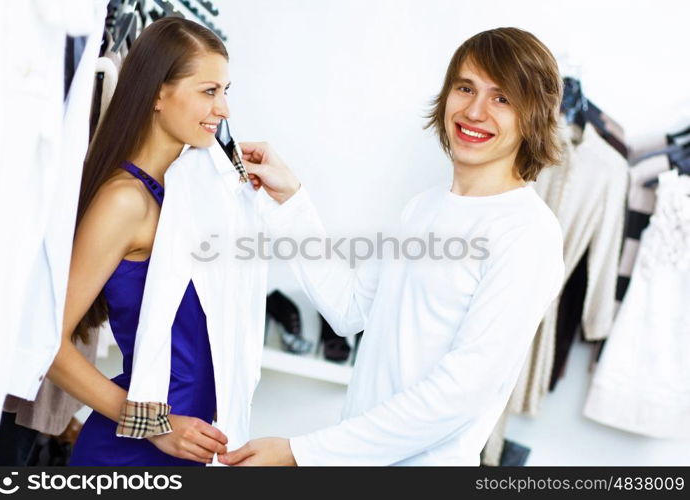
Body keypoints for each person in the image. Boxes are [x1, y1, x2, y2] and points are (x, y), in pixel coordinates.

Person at [218, 27, 566, 466]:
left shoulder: (528, 233)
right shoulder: (422, 209)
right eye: (465, 88)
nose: (475, 111)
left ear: (533, 115)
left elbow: (457, 397)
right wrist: (291, 202)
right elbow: (348, 310)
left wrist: (300, 453)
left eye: (502, 98)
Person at [46, 18, 232, 466]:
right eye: (210, 91)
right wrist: (153, 425)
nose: (223, 109)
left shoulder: (186, 195)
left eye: (227, 92)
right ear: (157, 94)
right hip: (129, 452)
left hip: (188, 447)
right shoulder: (126, 201)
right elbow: (49, 345)